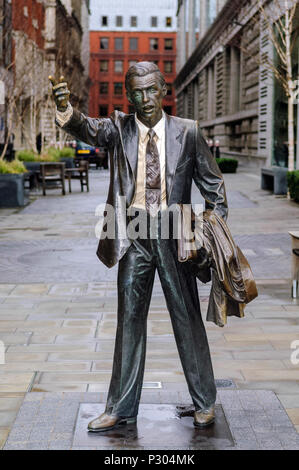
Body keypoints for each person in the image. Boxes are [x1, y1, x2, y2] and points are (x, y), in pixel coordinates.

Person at [49, 62, 228, 432]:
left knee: (186, 318)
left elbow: (215, 189)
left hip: (174, 233)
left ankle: (205, 401)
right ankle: (120, 407)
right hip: (133, 234)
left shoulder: (188, 133)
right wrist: (67, 110)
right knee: (129, 320)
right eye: (136, 92)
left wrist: (209, 229)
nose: (144, 99)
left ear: (164, 90)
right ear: (127, 96)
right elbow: (88, 128)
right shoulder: (119, 127)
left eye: (150, 90)